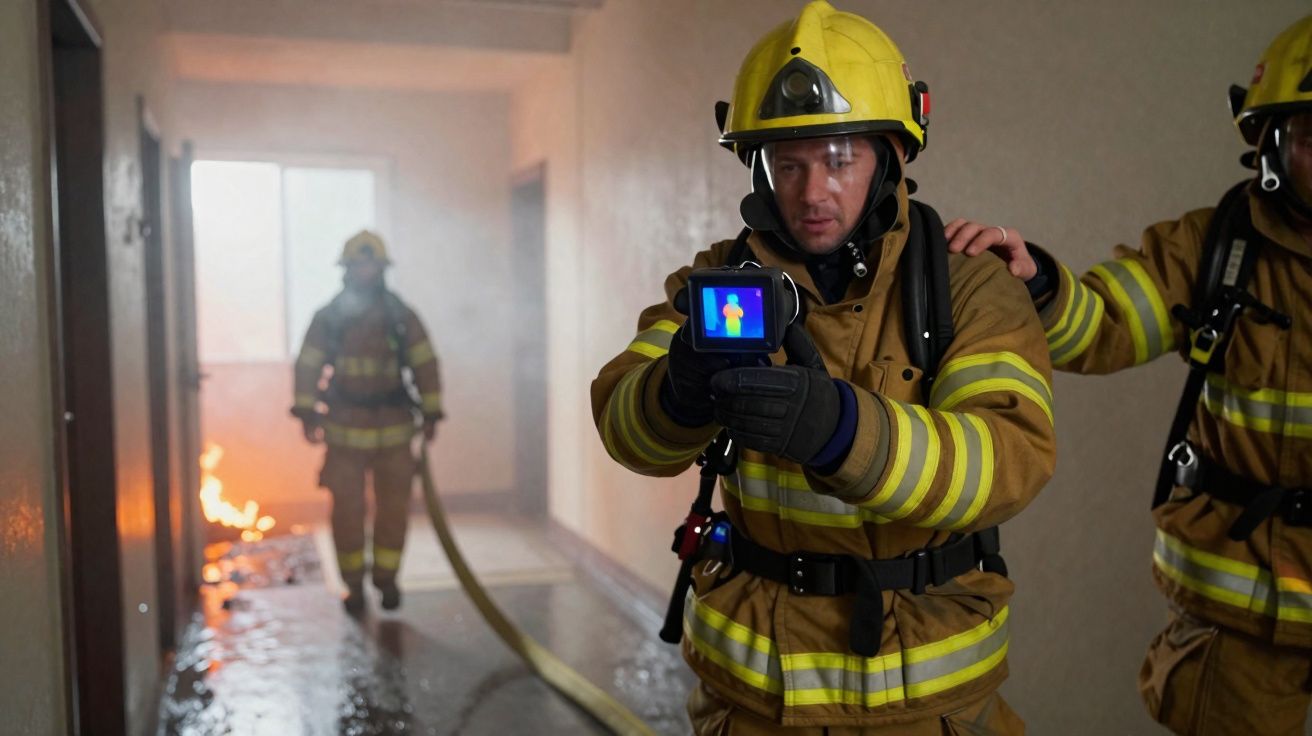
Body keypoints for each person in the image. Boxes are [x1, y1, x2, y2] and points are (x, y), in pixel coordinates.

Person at [591, 2, 1055, 731]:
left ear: (891, 156)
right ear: (757, 164)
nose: (812, 192)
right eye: (789, 162)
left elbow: (1009, 459)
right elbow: (624, 430)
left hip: (922, 703)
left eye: (840, 160)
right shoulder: (715, 282)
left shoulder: (966, 285)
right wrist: (674, 393)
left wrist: (842, 432)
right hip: (753, 700)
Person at [946, 15, 1312, 734]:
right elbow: (1106, 322)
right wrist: (1041, 284)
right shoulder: (1217, 250)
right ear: (1270, 145)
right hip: (1242, 617)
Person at [291, 230, 444, 614]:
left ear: (382, 269)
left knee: (393, 511)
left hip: (393, 432)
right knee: (347, 513)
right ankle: (354, 586)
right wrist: (306, 411)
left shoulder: (401, 317)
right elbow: (308, 365)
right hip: (344, 434)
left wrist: (432, 411)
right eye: (357, 264)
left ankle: (387, 580)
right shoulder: (329, 318)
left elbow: (425, 363)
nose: (364, 271)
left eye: (370, 264)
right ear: (346, 269)